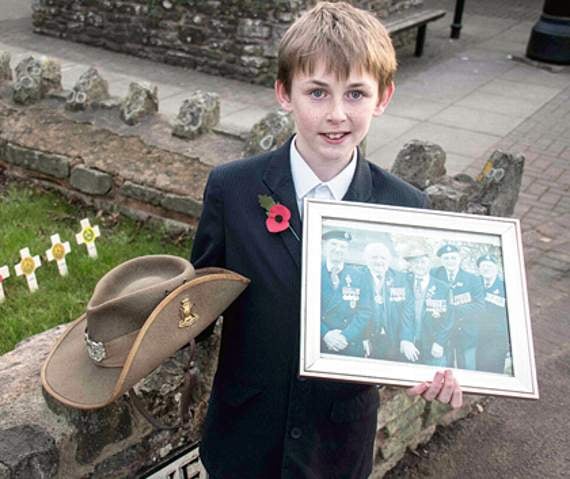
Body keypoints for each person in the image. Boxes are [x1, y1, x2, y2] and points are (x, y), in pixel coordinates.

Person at [191, 3, 463, 478]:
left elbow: (403, 321)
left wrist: (440, 370)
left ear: (383, 97)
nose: (337, 114)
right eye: (317, 92)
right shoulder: (232, 189)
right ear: (284, 93)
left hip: (336, 447)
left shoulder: (405, 206)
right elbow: (199, 303)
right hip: (243, 436)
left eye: (356, 93)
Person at [431, 244, 485, 370]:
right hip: (441, 333)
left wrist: (454, 309)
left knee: (467, 369)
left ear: (459, 259)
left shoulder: (472, 279)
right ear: (441, 260)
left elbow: (480, 306)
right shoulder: (434, 275)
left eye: (453, 258)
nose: (450, 261)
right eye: (446, 258)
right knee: (442, 371)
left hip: (466, 332)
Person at [320, 230, 370, 357]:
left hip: (350, 342)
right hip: (319, 343)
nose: (338, 249)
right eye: (334, 244)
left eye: (343, 246)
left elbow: (365, 311)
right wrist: (325, 334)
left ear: (347, 251)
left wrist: (345, 336)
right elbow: (305, 308)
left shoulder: (360, 276)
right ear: (324, 246)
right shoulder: (313, 270)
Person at [400, 246, 452, 366]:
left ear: (429, 264)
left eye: (423, 262)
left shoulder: (442, 287)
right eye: (415, 262)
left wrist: (440, 342)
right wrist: (405, 339)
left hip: (432, 346)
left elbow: (448, 319)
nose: (419, 265)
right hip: (408, 345)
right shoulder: (403, 282)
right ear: (410, 265)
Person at [361, 241, 413, 361]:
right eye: (374, 257)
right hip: (368, 338)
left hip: (394, 338)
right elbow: (355, 311)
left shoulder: (400, 278)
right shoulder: (359, 276)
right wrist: (363, 337)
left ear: (388, 261)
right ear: (367, 260)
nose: (379, 261)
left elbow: (407, 311)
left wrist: (406, 338)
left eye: (383, 258)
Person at [476, 253, 510, 374]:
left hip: (497, 339)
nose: (486, 269)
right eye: (483, 266)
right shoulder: (474, 285)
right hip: (477, 338)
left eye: (489, 266)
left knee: (494, 372)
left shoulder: (506, 287)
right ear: (479, 270)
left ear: (496, 268)